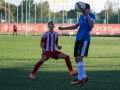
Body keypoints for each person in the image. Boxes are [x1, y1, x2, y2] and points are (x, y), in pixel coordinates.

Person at [58, 3, 95, 86]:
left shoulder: (91, 15)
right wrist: (63, 28)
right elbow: (75, 26)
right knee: (76, 59)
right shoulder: (81, 17)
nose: (82, 12)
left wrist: (87, 15)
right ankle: (84, 77)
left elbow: (91, 25)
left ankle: (79, 78)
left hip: (85, 39)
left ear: (87, 9)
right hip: (78, 38)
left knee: (79, 57)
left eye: (83, 10)